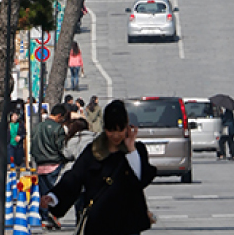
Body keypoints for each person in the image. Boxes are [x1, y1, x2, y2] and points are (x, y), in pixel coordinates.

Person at [41, 100, 157, 235]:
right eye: (111, 130)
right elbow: (74, 177)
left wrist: (131, 149)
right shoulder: (94, 151)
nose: (116, 135)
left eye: (120, 130)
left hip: (126, 223)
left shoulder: (136, 151)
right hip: (99, 222)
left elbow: (140, 179)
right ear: (105, 129)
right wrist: (54, 197)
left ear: (127, 128)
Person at [31, 103, 68, 229]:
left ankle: (44, 218)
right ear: (59, 116)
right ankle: (54, 214)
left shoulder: (37, 128)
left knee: (43, 193)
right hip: (54, 163)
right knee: (54, 193)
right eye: (62, 118)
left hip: (41, 164)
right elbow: (61, 147)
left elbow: (33, 147)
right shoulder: (58, 129)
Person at [62, 118, 97, 219]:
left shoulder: (71, 140)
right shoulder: (94, 138)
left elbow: (66, 154)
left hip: (77, 174)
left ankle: (80, 220)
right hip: (92, 173)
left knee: (78, 202)